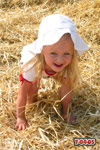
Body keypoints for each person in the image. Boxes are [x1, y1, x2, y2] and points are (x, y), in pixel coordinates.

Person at [15, 14, 89, 131]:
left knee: (66, 83)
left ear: (73, 52)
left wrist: (66, 113)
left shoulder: (68, 65)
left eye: (66, 54)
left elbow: (66, 91)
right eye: (53, 53)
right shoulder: (31, 64)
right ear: (42, 49)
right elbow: (22, 93)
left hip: (53, 69)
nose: (60, 60)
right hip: (39, 66)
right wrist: (20, 117)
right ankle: (33, 103)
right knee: (32, 88)